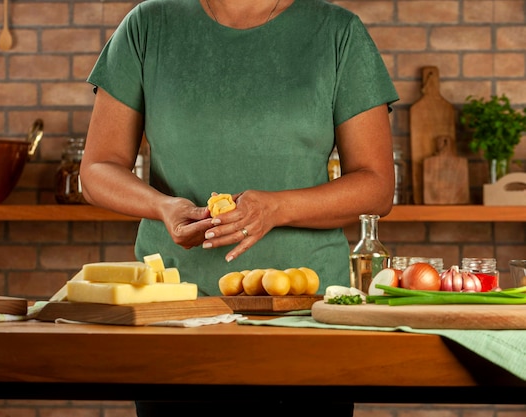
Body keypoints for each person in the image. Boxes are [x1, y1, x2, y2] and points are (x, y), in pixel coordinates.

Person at [81, 0, 398, 415]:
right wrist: (163, 206)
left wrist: (276, 209)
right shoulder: (147, 26)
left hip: (307, 318)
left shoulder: (338, 33)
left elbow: (376, 186)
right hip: (176, 318)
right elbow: (97, 169)